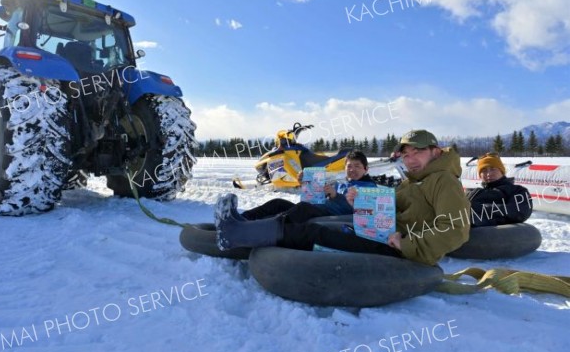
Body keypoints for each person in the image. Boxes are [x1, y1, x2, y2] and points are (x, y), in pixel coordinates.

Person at [216, 130, 471, 266]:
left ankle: (237, 234)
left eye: (418, 152)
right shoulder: (414, 181)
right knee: (309, 224)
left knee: (314, 234)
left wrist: (408, 244)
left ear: (436, 152)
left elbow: (456, 229)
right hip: (381, 233)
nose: (410, 159)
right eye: (406, 155)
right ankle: (245, 227)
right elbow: (389, 206)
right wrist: (361, 204)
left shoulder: (443, 180)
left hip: (398, 250)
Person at [214, 150, 377, 227]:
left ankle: (254, 228)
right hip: (319, 210)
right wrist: (307, 185)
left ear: (366, 169)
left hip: (334, 219)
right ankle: (239, 219)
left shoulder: (370, 188)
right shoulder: (342, 183)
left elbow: (360, 211)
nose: (352, 170)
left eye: (357, 166)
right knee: (277, 203)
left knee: (302, 209)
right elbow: (316, 197)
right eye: (349, 166)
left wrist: (335, 196)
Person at [466, 152, 533, 227]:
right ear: (480, 175)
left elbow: (519, 211)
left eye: (493, 169)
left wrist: (478, 207)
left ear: (502, 171)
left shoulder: (517, 191)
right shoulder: (474, 193)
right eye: (484, 170)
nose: (488, 174)